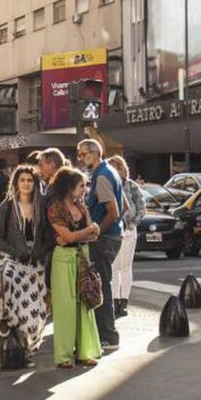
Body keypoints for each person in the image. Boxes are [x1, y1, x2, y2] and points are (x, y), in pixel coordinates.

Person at [0, 165, 48, 368]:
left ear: (35, 184)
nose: (26, 184)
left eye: (30, 180)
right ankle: (5, 318)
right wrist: (16, 252)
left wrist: (40, 252)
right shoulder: (6, 207)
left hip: (35, 263)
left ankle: (28, 351)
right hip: (12, 258)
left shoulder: (41, 207)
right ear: (16, 183)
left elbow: (48, 237)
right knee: (7, 276)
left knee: (35, 312)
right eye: (22, 180)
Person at [45, 166, 102, 368]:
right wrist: (89, 229)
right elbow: (76, 235)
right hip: (63, 260)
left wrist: (83, 233)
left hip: (81, 256)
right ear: (69, 187)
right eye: (81, 186)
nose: (84, 189)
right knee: (65, 309)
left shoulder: (82, 207)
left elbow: (93, 235)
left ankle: (84, 352)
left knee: (84, 305)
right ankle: (64, 356)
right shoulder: (55, 208)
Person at [76, 139, 125, 350]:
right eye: (79, 154)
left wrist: (96, 232)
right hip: (112, 236)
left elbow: (114, 211)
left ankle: (108, 335)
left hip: (104, 239)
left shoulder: (103, 175)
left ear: (96, 153)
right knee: (101, 283)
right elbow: (124, 207)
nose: (80, 158)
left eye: (83, 153)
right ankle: (104, 333)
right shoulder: (108, 172)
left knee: (101, 285)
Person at [107, 156, 145, 318]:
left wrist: (132, 224)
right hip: (112, 230)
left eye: (117, 167)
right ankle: (115, 301)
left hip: (128, 230)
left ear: (122, 169)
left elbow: (141, 208)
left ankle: (124, 302)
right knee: (114, 267)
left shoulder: (131, 186)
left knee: (125, 266)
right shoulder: (107, 186)